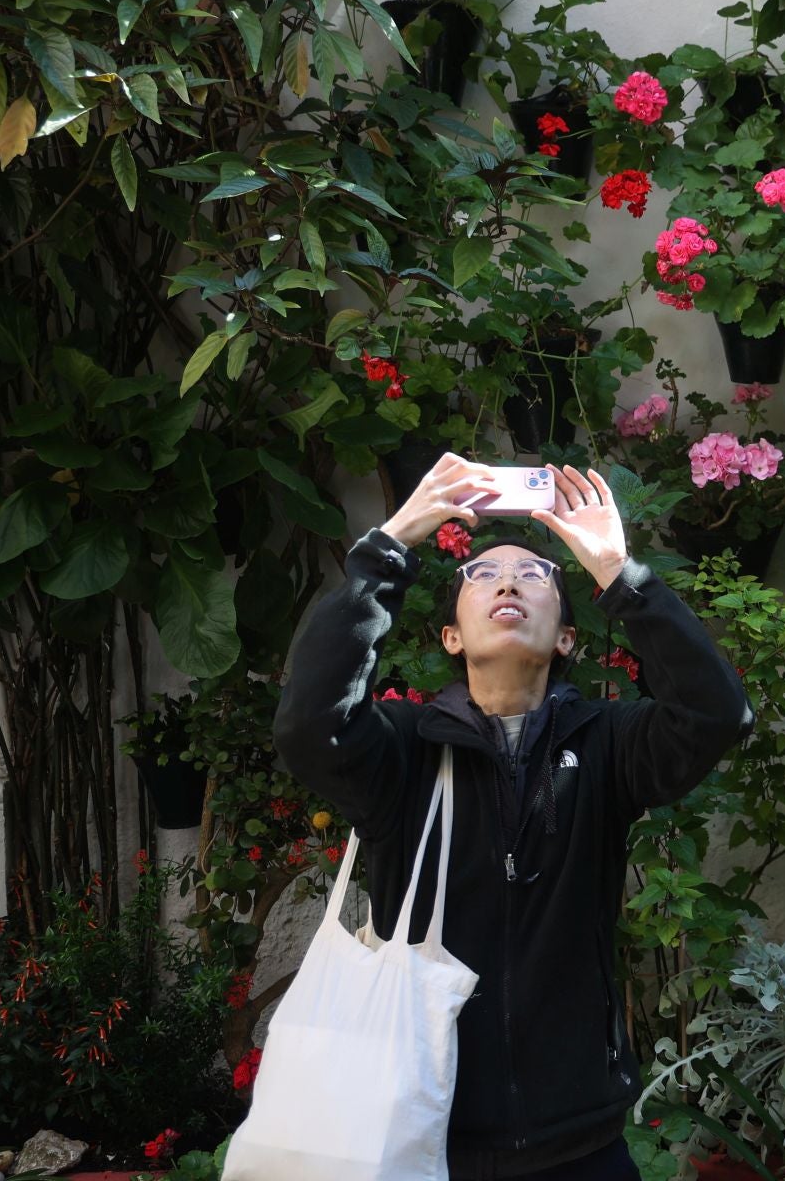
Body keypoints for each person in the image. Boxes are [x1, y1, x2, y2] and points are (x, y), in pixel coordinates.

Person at [274, 453, 753, 1181]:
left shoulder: (607, 746)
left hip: (581, 1144)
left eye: (535, 574)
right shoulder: (405, 751)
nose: (507, 582)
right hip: (425, 1141)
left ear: (566, 637)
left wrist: (618, 573)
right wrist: (392, 543)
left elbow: (716, 715)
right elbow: (309, 724)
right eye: (482, 574)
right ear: (451, 637)